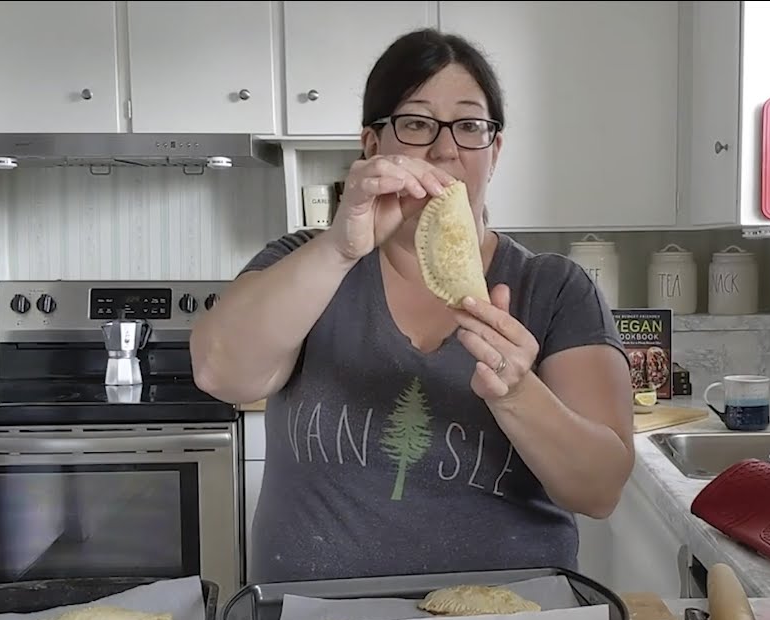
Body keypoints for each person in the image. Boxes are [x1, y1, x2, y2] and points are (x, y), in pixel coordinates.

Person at [190, 28, 635, 584]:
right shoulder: (306, 263)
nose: (446, 148)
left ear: (494, 151)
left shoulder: (554, 288)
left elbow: (599, 490)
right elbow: (221, 373)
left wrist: (518, 393)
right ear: (373, 146)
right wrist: (339, 247)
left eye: (471, 125)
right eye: (417, 123)